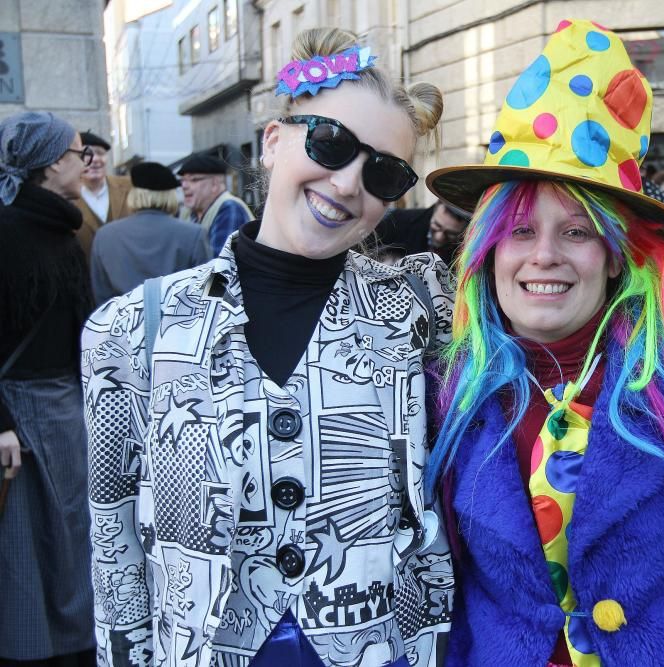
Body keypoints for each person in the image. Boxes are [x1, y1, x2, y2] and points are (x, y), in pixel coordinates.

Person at [424, 20, 664, 666]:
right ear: (489, 252)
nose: (543, 255)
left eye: (576, 231)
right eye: (520, 231)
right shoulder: (450, 393)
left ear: (613, 255)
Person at [82, 28, 455, 667]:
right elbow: (115, 546)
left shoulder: (422, 309)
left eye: (384, 172)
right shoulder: (132, 330)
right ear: (274, 139)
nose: (347, 184)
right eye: (331, 144)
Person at [0, 112, 96, 665]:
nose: (87, 162)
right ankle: (31, 649)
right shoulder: (8, 231)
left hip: (64, 407)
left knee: (70, 535)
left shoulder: (62, 230)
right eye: (79, 152)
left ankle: (75, 643)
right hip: (20, 414)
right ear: (51, 163)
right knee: (26, 542)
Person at [89, 161, 212, 305]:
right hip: (180, 324)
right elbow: (210, 292)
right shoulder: (194, 234)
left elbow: (100, 297)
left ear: (134, 194)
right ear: (170, 195)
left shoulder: (105, 236)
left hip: (122, 324)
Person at [177, 153, 253, 256]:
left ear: (215, 184)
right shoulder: (189, 213)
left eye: (193, 179)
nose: (184, 186)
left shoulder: (230, 208)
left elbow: (219, 264)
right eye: (182, 180)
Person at [74, 130, 132, 258]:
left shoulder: (129, 187)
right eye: (87, 154)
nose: (95, 159)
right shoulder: (68, 197)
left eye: (100, 153)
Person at [371, 199, 472, 265]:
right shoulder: (396, 222)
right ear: (435, 208)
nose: (439, 237)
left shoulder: (468, 249)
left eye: (451, 234)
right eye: (437, 226)